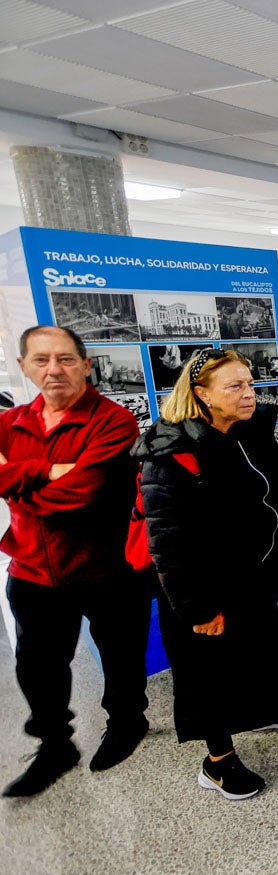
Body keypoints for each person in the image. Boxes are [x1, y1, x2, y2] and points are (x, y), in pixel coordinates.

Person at [132, 348, 278, 800]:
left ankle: (267, 709)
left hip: (252, 577)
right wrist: (197, 608)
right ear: (201, 394)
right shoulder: (171, 451)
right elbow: (165, 541)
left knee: (259, 652)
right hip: (203, 587)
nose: (250, 393)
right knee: (208, 674)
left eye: (250, 383)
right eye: (236, 386)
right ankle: (217, 761)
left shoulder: (248, 433)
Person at [0, 326, 151, 797]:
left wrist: (16, 479)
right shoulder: (10, 424)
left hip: (107, 569)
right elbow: (57, 487)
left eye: (65, 359)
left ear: (87, 365)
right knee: (38, 667)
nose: (53, 369)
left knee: (121, 656)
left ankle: (128, 723)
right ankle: (54, 746)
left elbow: (83, 493)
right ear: (23, 367)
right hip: (32, 571)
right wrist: (46, 471)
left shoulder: (113, 422)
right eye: (41, 359)